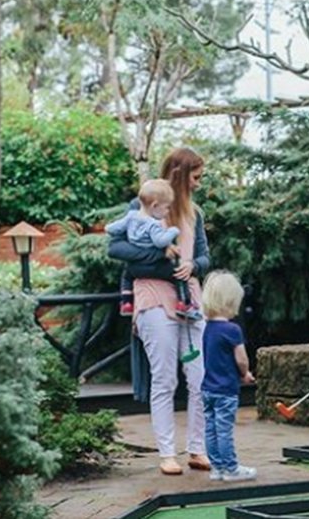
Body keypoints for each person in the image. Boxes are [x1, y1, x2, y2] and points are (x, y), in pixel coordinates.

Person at [108, 147, 210, 475]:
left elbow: (206, 256)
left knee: (199, 377)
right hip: (154, 298)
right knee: (164, 377)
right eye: (195, 177)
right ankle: (167, 452)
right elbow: (118, 249)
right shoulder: (142, 207)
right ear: (180, 174)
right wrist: (163, 261)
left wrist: (193, 264)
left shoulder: (195, 213)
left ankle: (198, 447)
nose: (198, 184)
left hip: (190, 299)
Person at [105, 179, 201, 320]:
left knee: (127, 275)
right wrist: (173, 231)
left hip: (136, 267)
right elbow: (160, 241)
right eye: (167, 208)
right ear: (155, 205)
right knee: (178, 274)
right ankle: (184, 303)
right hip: (154, 266)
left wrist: (108, 228)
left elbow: (113, 228)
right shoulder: (153, 224)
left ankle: (126, 302)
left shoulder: (131, 216)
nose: (168, 212)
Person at [200, 270, 257, 482]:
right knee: (224, 430)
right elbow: (241, 359)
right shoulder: (232, 329)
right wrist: (246, 373)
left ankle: (217, 468)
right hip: (225, 390)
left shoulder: (207, 328)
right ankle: (231, 469)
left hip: (207, 388)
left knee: (211, 429)